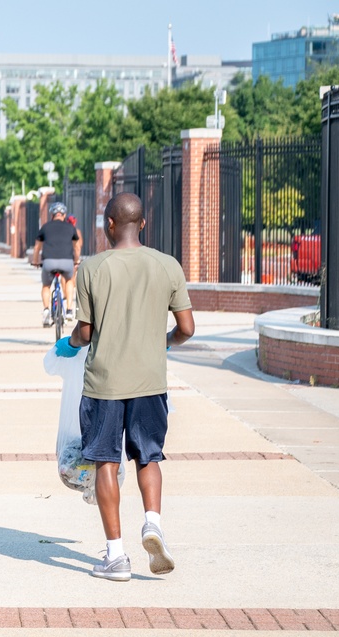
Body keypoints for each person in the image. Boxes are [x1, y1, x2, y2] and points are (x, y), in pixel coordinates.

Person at [53, 192, 195, 582]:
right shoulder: (167, 266)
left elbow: (85, 332)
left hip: (104, 383)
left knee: (106, 462)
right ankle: (152, 524)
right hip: (150, 381)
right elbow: (187, 329)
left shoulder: (93, 268)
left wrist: (68, 345)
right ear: (143, 224)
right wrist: (163, 341)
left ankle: (116, 557)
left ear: (109, 225)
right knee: (149, 456)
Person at [32, 202, 80, 325]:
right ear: (63, 215)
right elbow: (77, 247)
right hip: (67, 262)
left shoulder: (45, 227)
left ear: (51, 215)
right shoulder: (71, 228)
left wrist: (35, 261)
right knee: (69, 280)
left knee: (46, 286)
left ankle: (46, 310)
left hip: (49, 262)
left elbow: (37, 247)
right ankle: (69, 310)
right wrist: (76, 261)